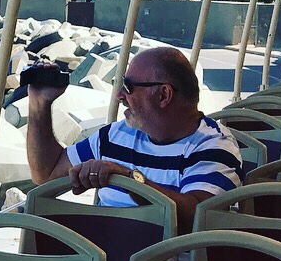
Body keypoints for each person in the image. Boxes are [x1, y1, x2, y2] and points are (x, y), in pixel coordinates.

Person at [26, 45, 242, 231]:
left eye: (128, 87)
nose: (119, 95)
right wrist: (39, 104)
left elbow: (197, 218)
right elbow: (46, 173)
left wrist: (131, 179)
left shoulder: (213, 145)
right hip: (102, 258)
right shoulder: (116, 135)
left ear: (163, 95)